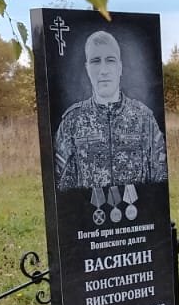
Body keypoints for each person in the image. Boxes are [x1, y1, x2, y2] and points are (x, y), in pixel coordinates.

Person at [53, 30, 168, 190]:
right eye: (95, 61)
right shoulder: (72, 122)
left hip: (138, 205)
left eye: (110, 60)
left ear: (120, 68)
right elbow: (58, 184)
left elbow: (161, 179)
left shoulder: (144, 119)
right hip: (87, 206)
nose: (103, 70)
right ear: (87, 68)